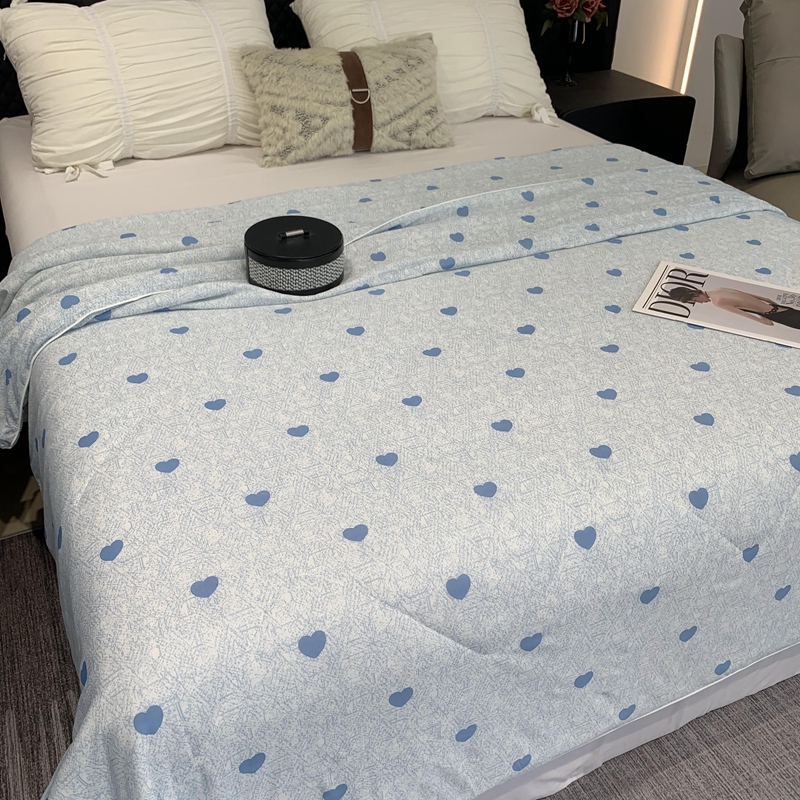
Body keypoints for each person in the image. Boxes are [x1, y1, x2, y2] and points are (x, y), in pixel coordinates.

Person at [668, 285, 800, 330]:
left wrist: (763, 319)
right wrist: (766, 303)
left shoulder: (718, 302)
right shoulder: (720, 289)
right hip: (779, 308)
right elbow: (759, 297)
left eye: (694, 300)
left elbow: (746, 315)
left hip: (778, 315)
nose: (699, 303)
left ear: (693, 294)